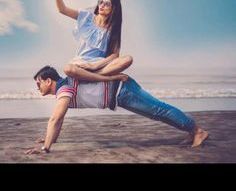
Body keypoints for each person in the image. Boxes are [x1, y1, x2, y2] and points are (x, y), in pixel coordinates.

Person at [25, 66, 209, 155]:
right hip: (121, 94)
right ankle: (190, 131)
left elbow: (55, 119)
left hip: (122, 90)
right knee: (157, 115)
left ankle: (197, 131)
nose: (37, 87)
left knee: (159, 110)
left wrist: (45, 148)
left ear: (48, 81)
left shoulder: (64, 88)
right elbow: (59, 120)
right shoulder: (64, 89)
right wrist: (50, 138)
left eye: (38, 83)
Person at [53, 0, 133, 79]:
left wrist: (94, 66)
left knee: (128, 59)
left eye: (106, 4)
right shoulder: (86, 17)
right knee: (68, 69)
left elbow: (114, 55)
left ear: (113, 9)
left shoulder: (112, 29)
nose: (102, 5)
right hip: (81, 63)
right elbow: (62, 10)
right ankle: (106, 77)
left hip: (99, 65)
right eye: (101, 2)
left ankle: (92, 75)